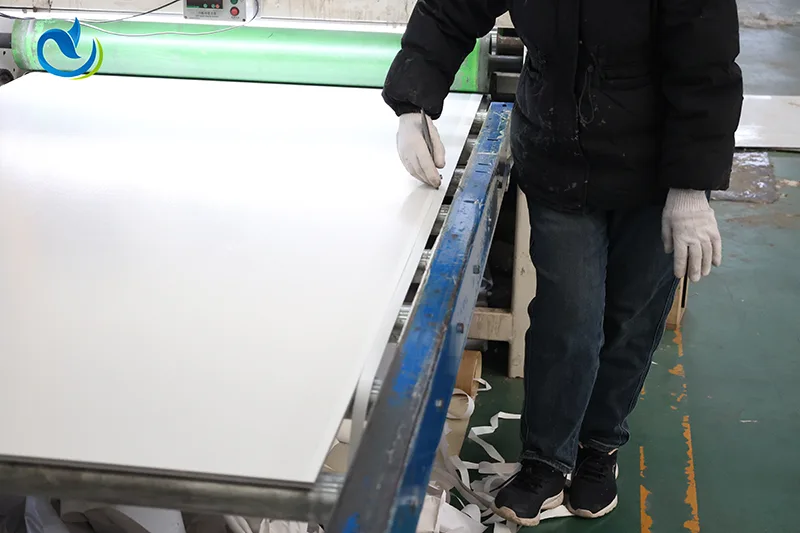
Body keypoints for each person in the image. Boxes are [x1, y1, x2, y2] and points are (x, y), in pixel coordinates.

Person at [382, 0, 743, 527]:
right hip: (557, 154)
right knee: (567, 317)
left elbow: (706, 63)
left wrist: (691, 187)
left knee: (630, 319)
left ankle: (600, 448)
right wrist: (412, 104)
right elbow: (450, 9)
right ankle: (546, 461)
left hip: (656, 171)